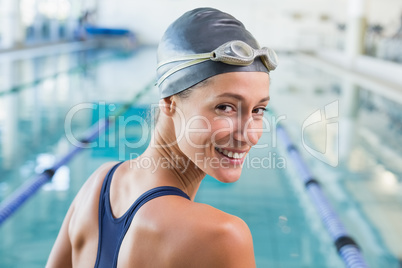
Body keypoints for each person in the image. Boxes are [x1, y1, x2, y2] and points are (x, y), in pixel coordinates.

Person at [47, 7, 277, 268]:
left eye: (258, 110)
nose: (249, 135)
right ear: (170, 102)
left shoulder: (97, 184)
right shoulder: (223, 236)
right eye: (225, 107)